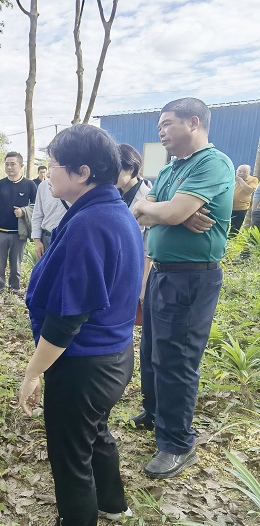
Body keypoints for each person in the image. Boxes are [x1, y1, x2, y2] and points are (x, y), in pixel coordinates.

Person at [19, 124, 143, 526]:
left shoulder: (92, 223)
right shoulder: (112, 211)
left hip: (85, 364)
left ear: (82, 172)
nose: (48, 172)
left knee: (70, 457)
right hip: (113, 356)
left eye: (53, 165)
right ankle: (113, 503)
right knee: (95, 434)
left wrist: (33, 371)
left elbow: (69, 316)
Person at [131, 97, 234, 479]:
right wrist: (173, 213)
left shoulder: (213, 163)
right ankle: (155, 413)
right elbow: (138, 211)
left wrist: (172, 212)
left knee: (176, 359)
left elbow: (164, 211)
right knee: (153, 349)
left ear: (194, 123)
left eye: (166, 123)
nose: (160, 132)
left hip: (192, 277)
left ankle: (177, 443)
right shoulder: (173, 167)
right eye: (158, 125)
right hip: (162, 272)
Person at [0, 152, 36, 296]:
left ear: (21, 165)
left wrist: (23, 211)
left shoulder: (29, 185)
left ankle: (15, 288)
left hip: (19, 232)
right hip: (0, 231)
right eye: (7, 164)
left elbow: (36, 207)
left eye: (13, 164)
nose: (9, 167)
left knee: (16, 264)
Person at [117, 144, 152, 302]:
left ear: (131, 169)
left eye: (116, 169)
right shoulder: (111, 193)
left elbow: (148, 248)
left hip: (133, 268)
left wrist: (143, 285)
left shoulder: (148, 198)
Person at [30, 177, 67, 260]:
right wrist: (37, 241)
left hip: (66, 239)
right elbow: (37, 215)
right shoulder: (43, 186)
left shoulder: (75, 186)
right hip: (46, 239)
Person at [230, 164, 257, 236]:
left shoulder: (253, 179)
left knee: (235, 228)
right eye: (239, 171)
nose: (241, 173)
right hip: (228, 206)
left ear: (249, 172)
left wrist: (240, 180)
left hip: (241, 208)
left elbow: (249, 190)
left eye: (245, 172)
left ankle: (231, 242)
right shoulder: (232, 178)